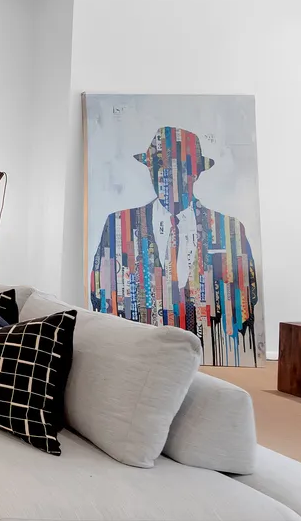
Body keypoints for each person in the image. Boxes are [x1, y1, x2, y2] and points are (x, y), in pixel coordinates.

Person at [89, 126, 258, 365]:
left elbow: (246, 302)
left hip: (206, 356)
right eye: (156, 166)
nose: (162, 175)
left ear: (194, 173)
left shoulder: (228, 229)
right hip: (136, 358)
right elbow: (99, 294)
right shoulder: (118, 224)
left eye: (173, 168)